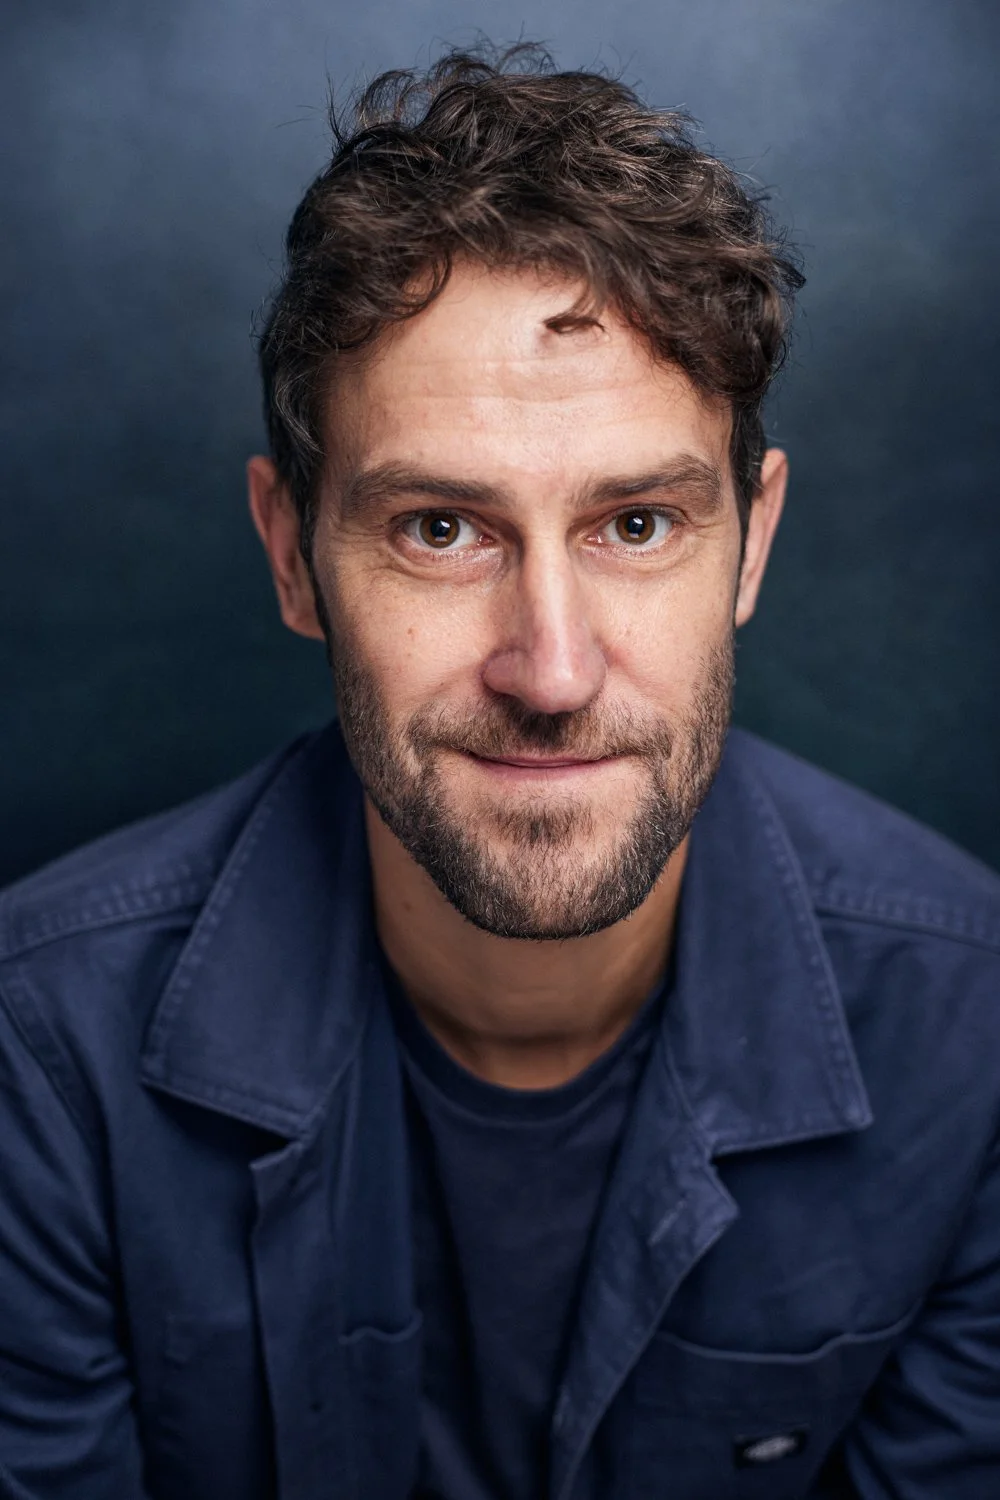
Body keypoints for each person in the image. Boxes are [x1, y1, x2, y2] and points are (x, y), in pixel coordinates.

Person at [1, 42, 998, 1500]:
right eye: (442, 530)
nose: (552, 669)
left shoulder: (974, 1043)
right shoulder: (42, 1059)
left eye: (639, 524)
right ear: (292, 557)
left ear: (754, 543)